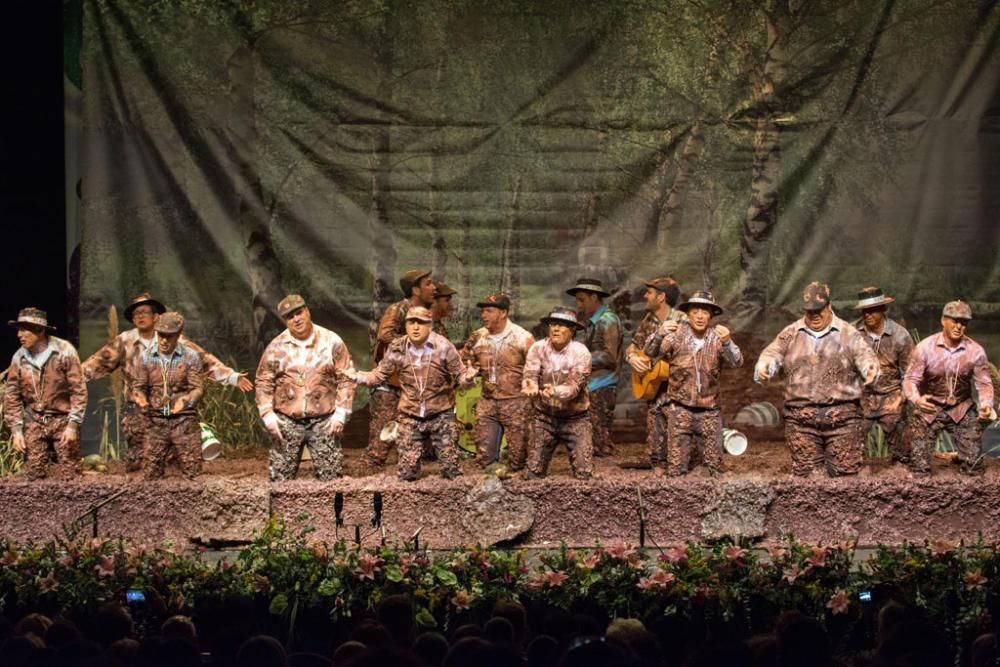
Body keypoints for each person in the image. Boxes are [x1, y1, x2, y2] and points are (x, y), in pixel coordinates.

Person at [82, 292, 253, 472]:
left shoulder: (175, 340)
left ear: (156, 316)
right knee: (141, 465)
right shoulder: (125, 341)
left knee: (177, 466)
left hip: (173, 413)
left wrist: (232, 377)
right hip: (139, 412)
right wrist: (73, 377)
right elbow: (97, 362)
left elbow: (205, 361)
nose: (139, 316)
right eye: (136, 313)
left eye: (144, 312)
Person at [755, 282, 879, 477]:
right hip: (801, 418)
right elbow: (771, 354)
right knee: (807, 477)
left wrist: (870, 370)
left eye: (819, 310)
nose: (814, 315)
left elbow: (865, 356)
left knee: (844, 475)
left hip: (842, 418)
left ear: (829, 306)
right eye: (809, 311)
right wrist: (765, 367)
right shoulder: (791, 333)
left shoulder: (848, 334)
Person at [347, 306, 473, 481]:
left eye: (421, 323)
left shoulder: (443, 347)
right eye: (411, 322)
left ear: (430, 326)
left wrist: (469, 378)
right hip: (410, 413)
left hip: (441, 413)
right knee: (407, 473)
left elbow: (461, 376)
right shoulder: (398, 348)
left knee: (451, 468)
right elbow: (378, 376)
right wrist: (357, 376)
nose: (415, 327)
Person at [255, 295, 355, 481]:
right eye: (290, 317)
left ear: (307, 311)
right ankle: (282, 511)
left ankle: (329, 509)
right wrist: (267, 415)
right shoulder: (276, 347)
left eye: (299, 313)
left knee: (331, 478)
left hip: (324, 420)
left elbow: (346, 378)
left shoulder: (331, 341)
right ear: (285, 321)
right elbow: (263, 381)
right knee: (280, 480)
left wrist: (341, 413)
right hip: (288, 420)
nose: (296, 319)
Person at [651, 291, 742, 476]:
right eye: (695, 311)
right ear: (688, 314)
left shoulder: (717, 338)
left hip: (710, 409)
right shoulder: (675, 335)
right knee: (676, 469)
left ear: (711, 315)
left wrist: (727, 342)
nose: (700, 316)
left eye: (705, 312)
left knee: (713, 468)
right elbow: (651, 353)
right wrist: (659, 334)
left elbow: (737, 361)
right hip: (681, 408)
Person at [903, 300, 995, 475]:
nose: (959, 326)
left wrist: (986, 404)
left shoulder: (975, 351)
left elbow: (984, 383)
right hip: (931, 408)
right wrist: (917, 399)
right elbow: (910, 380)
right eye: (954, 320)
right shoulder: (925, 348)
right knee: (918, 466)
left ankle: (964, 468)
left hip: (961, 408)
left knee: (974, 465)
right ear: (943, 320)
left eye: (964, 322)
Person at [4, 307, 87, 480]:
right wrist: (16, 430)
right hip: (34, 419)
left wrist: (72, 425)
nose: (20, 335)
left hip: (62, 418)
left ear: (39, 330)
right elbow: (12, 394)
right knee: (34, 471)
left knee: (70, 470)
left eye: (24, 329)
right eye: (19, 330)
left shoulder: (64, 351)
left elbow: (78, 390)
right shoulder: (19, 357)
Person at [365, 269, 436, 470]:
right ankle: (369, 480)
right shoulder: (399, 309)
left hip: (415, 385)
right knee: (382, 434)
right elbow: (384, 334)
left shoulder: (428, 315)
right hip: (392, 383)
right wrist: (413, 343)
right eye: (428, 284)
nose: (434, 288)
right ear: (415, 290)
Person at [460, 293, 535, 472]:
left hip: (516, 402)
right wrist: (468, 376)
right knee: (484, 458)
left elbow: (536, 368)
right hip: (488, 401)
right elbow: (464, 363)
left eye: (489, 311)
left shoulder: (522, 338)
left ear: (503, 313)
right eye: (482, 311)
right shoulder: (477, 337)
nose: (483, 315)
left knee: (518, 460)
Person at [522, 306, 594, 480]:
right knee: (533, 472)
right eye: (553, 324)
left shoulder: (581, 352)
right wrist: (530, 385)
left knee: (584, 473)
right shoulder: (537, 348)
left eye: (562, 325)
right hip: (544, 416)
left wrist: (555, 391)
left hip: (575, 418)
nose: (556, 329)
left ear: (572, 330)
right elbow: (529, 374)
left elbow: (574, 387)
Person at [131, 312, 204, 480]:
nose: (164, 341)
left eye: (169, 336)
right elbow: (138, 387)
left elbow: (197, 388)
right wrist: (140, 398)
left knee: (192, 472)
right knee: (151, 473)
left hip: (183, 420)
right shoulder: (146, 357)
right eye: (161, 335)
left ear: (178, 335)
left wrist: (187, 401)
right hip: (156, 420)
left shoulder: (190, 357)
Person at [626, 276, 684, 473]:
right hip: (655, 390)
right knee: (655, 436)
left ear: (661, 297)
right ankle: (657, 463)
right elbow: (633, 346)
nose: (645, 295)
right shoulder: (648, 321)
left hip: (678, 389)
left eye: (649, 292)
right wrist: (632, 358)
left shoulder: (682, 321)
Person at [852, 287, 914, 464]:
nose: (868, 315)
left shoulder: (900, 335)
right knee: (849, 442)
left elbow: (910, 373)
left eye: (872, 311)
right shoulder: (853, 333)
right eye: (865, 311)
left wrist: (901, 398)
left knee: (901, 442)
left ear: (882, 310)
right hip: (861, 395)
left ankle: (901, 467)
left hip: (890, 393)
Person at [567, 278, 622, 457]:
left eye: (582, 299)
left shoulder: (607, 320)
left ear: (594, 297)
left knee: (600, 438)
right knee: (595, 435)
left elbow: (610, 356)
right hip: (593, 384)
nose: (579, 304)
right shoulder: (592, 323)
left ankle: (606, 477)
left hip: (603, 384)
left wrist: (580, 358)